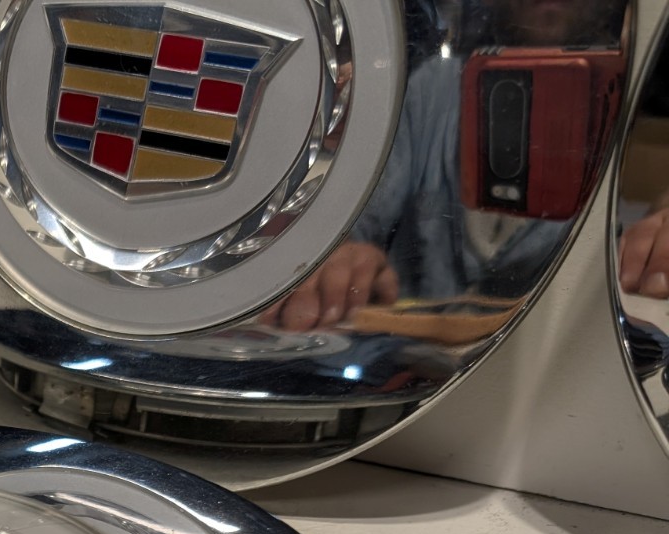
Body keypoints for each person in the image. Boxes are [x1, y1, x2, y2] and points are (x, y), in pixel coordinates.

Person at [269, 0, 630, 330]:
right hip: (406, 356)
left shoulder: (623, 110)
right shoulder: (432, 90)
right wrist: (343, 258)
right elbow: (358, 225)